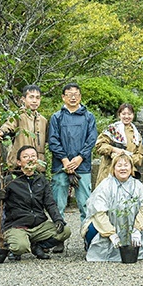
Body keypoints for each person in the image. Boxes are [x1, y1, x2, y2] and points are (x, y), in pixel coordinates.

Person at [0, 145, 71, 261]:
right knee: (20, 247)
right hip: (17, 225)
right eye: (26, 157)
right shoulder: (10, 180)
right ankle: (14, 247)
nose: (30, 159)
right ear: (19, 162)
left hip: (38, 225)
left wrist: (58, 219)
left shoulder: (41, 179)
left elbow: (50, 203)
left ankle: (37, 246)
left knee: (65, 231)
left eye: (33, 156)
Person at [82, 153, 143, 262]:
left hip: (131, 227)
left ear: (131, 168)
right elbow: (98, 212)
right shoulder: (105, 186)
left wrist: (137, 229)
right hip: (108, 228)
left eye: (126, 165)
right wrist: (111, 233)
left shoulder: (138, 186)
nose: (123, 168)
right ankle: (90, 245)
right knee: (92, 228)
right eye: (119, 165)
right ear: (113, 168)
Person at [48, 83, 97, 238]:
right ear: (63, 97)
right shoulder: (56, 117)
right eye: (69, 94)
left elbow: (91, 139)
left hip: (83, 166)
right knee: (58, 204)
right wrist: (64, 160)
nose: (73, 97)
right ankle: (58, 238)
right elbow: (53, 140)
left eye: (76, 93)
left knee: (85, 204)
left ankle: (87, 238)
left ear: (80, 96)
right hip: (60, 166)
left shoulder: (89, 117)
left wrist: (79, 157)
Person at [0, 85, 48, 172]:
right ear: (23, 99)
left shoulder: (43, 120)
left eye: (37, 98)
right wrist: (1, 131)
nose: (34, 101)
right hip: (19, 167)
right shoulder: (18, 116)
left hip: (38, 167)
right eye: (31, 97)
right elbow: (8, 126)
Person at [94, 103, 143, 187]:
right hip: (108, 171)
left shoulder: (136, 135)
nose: (126, 116)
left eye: (129, 114)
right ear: (119, 115)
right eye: (124, 114)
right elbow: (100, 145)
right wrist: (113, 150)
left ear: (133, 115)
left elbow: (141, 156)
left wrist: (127, 158)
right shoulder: (112, 129)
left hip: (127, 173)